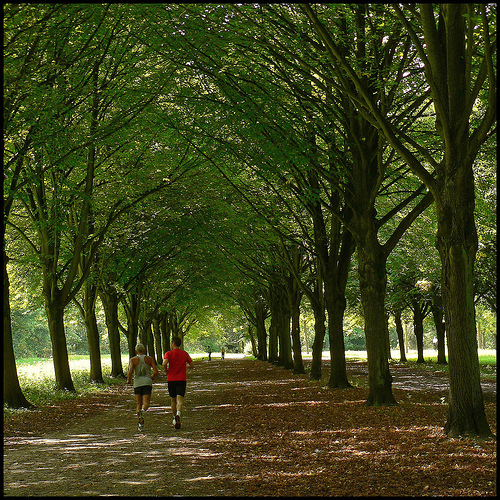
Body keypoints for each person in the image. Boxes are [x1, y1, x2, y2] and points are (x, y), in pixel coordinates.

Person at [163, 337, 194, 429]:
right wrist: (184, 366)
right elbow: (192, 365)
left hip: (171, 379)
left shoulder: (168, 353)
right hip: (181, 379)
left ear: (173, 343)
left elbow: (164, 363)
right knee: (180, 399)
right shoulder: (184, 354)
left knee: (173, 399)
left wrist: (166, 370)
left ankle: (174, 417)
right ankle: (178, 414)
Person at [127, 343, 159, 431]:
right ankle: (143, 412)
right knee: (146, 403)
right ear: (144, 350)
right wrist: (151, 377)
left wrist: (129, 380)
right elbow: (156, 372)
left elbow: (130, 372)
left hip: (137, 382)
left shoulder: (133, 360)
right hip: (147, 382)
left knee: (138, 403)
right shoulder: (149, 359)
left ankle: (140, 423)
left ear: (136, 351)